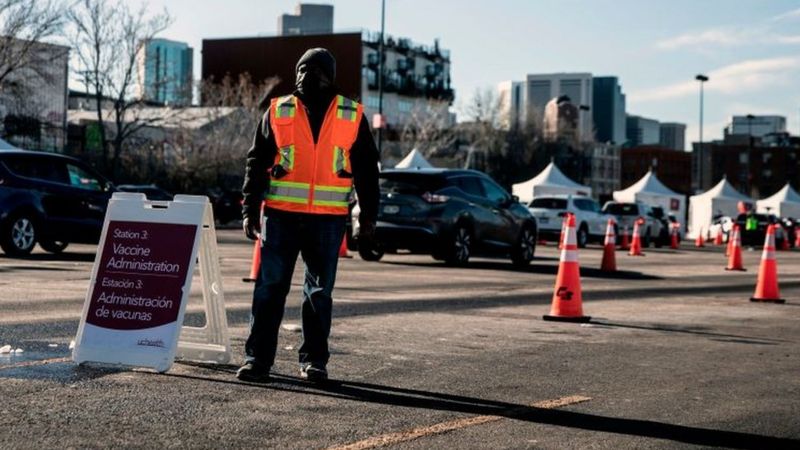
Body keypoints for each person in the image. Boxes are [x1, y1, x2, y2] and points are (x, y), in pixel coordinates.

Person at [238, 48, 379, 383]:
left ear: (330, 75)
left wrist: (368, 217)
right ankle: (257, 360)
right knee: (270, 290)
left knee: (319, 294)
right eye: (302, 69)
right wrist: (249, 208)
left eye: (315, 69)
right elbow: (256, 162)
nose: (307, 75)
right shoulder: (278, 109)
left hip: (327, 220)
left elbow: (367, 171)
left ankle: (314, 362)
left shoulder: (351, 114)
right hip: (280, 215)